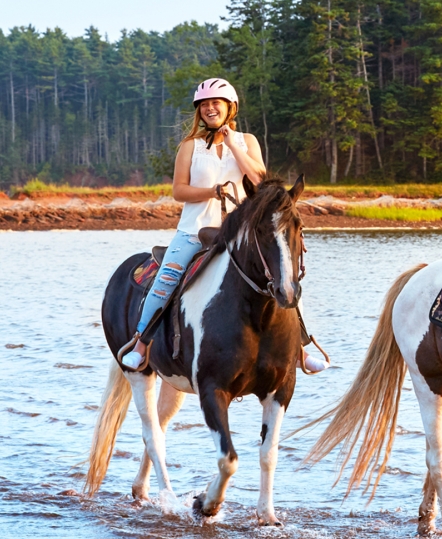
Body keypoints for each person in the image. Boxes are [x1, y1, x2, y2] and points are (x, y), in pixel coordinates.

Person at [119, 78, 329, 374]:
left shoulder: (248, 141)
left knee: (285, 276)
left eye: (215, 103)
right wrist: (211, 191)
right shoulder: (189, 147)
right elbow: (179, 191)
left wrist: (233, 144)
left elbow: (260, 180)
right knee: (165, 279)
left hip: (241, 234)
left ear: (230, 107)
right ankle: (140, 344)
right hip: (196, 229)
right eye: (204, 105)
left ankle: (300, 348)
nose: (209, 108)